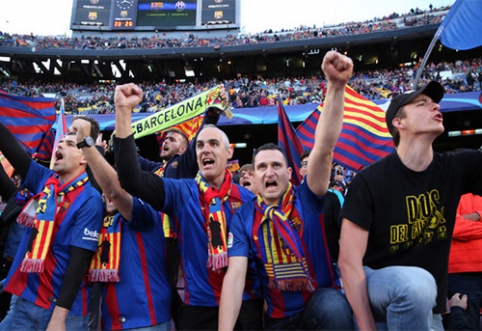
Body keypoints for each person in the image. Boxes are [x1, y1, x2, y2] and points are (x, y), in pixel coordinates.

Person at [218, 50, 354, 331]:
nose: (270, 172)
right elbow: (235, 276)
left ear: (290, 174)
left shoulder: (308, 197)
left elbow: (324, 150)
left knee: (334, 308)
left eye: (277, 165)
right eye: (263, 167)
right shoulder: (243, 218)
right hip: (279, 319)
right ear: (253, 177)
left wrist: (336, 87)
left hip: (320, 305)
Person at [112, 85, 263, 330]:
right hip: (199, 311)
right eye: (201, 145)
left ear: (229, 152)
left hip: (246, 306)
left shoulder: (248, 200)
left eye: (214, 143)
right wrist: (122, 111)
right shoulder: (182, 192)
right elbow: (130, 178)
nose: (206, 149)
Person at [338, 80, 482, 331]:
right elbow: (349, 263)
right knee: (416, 284)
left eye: (435, 102)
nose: (435, 106)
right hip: (378, 294)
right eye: (422, 104)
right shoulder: (370, 180)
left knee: (420, 287)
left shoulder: (455, 167)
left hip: (429, 308)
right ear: (399, 122)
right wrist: (366, 327)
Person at [0, 117, 104, 331]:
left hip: (65, 311)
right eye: (61, 142)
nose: (61, 144)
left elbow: (78, 263)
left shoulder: (90, 199)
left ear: (84, 158)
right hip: (26, 302)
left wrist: (59, 317)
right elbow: (9, 145)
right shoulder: (45, 179)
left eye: (70, 144)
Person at [71, 118, 171, 331]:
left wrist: (88, 146)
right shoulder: (101, 221)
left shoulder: (145, 213)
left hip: (145, 322)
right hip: (111, 323)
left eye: (114, 187)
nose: (109, 193)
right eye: (105, 189)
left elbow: (115, 191)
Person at [448, 193, 482, 330]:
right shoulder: (449, 190)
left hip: (462, 271)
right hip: (461, 272)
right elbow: (452, 226)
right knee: (467, 322)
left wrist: (476, 216)